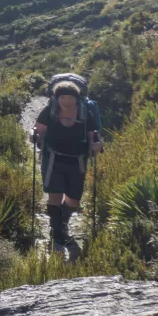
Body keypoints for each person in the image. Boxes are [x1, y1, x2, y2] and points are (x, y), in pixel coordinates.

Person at [32, 75, 103, 252]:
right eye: (62, 97)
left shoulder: (86, 112)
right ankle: (56, 231)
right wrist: (35, 136)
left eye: (69, 97)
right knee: (55, 195)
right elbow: (39, 129)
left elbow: (93, 135)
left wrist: (96, 145)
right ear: (57, 98)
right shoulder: (50, 110)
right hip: (54, 158)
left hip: (77, 160)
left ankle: (62, 223)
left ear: (76, 98)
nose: (65, 101)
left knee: (74, 200)